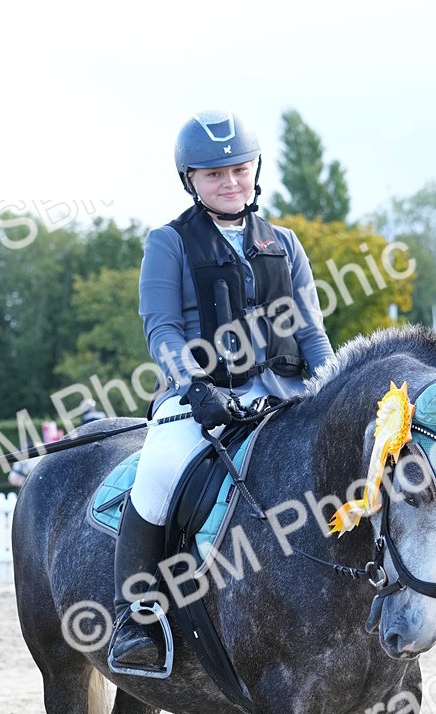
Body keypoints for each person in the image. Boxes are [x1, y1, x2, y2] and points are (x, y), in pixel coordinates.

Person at [108, 108, 336, 670]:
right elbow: (161, 328)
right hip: (203, 404)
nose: (230, 182)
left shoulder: (285, 244)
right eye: (214, 174)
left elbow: (310, 330)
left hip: (286, 402)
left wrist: (332, 388)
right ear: (191, 180)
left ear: (256, 170)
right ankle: (137, 620)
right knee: (159, 471)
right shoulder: (169, 243)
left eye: (239, 169)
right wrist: (195, 386)